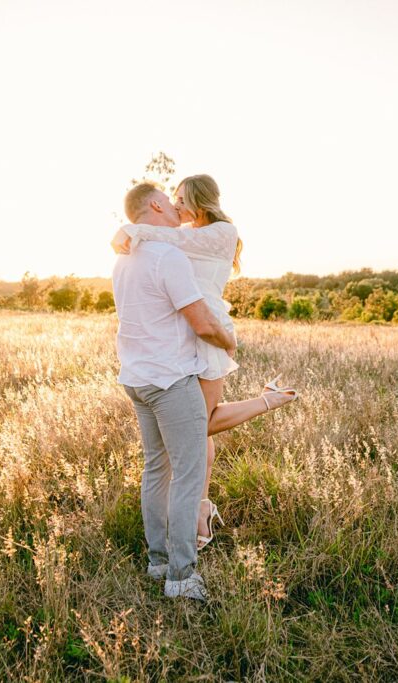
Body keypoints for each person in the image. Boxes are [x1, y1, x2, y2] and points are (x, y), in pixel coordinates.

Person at [112, 174, 298, 551]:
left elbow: (175, 239)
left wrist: (129, 228)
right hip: (183, 337)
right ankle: (199, 507)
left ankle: (268, 401)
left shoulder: (222, 232)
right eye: (172, 199)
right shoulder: (180, 238)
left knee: (201, 423)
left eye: (181, 199)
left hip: (210, 332)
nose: (176, 206)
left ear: (198, 199)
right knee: (194, 426)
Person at [113, 182, 236, 602]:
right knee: (188, 476)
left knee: (156, 471)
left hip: (137, 378)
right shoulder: (168, 255)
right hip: (170, 381)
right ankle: (182, 578)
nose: (176, 207)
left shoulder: (125, 259)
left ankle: (158, 562)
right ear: (155, 205)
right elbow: (201, 323)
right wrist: (228, 341)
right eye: (169, 201)